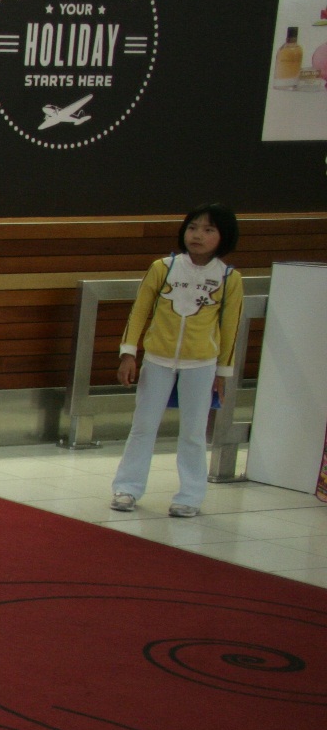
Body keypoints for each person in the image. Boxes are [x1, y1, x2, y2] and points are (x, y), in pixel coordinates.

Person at [112, 203, 244, 519]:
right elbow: (139, 309)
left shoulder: (229, 277)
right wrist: (129, 352)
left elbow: (230, 326)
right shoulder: (164, 267)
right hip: (157, 359)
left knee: (194, 431)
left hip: (201, 364)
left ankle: (190, 496)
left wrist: (223, 372)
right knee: (143, 425)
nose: (198, 235)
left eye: (209, 229)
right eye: (193, 227)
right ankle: (127, 488)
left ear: (223, 237)